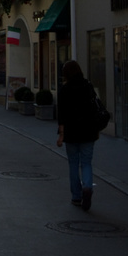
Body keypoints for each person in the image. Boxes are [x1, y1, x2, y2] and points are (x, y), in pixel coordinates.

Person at [56, 60, 99, 211]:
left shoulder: (65, 90)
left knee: (73, 163)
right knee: (86, 162)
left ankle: (76, 196)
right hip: (88, 131)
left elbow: (61, 115)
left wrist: (61, 134)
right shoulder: (88, 86)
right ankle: (87, 187)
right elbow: (95, 106)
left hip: (71, 132)